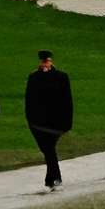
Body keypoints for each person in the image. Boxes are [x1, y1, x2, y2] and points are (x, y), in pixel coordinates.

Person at [25, 49, 75, 189]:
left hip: (55, 123)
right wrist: (30, 119)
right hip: (38, 123)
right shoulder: (34, 77)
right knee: (48, 149)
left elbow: (67, 101)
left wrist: (67, 123)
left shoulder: (61, 77)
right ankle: (52, 178)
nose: (45, 63)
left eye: (47, 61)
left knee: (48, 149)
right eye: (43, 61)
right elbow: (29, 100)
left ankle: (54, 178)